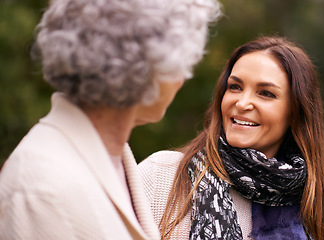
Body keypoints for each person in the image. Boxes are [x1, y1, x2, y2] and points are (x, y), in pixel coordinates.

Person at [0, 0, 221, 239]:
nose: (183, 78)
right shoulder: (42, 188)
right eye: (181, 61)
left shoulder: (112, 159)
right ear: (145, 68)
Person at [139, 36, 324, 240]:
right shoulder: (161, 177)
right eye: (235, 87)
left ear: (295, 113)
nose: (242, 103)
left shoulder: (309, 209)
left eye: (266, 93)